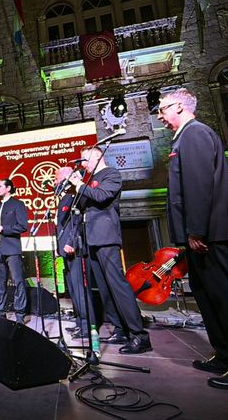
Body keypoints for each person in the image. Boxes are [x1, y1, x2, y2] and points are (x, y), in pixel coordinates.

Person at [158, 88, 228, 390]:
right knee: (206, 296)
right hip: (198, 234)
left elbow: (199, 186)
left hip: (208, 234)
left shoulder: (194, 133)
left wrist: (196, 231)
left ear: (179, 107)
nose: (160, 117)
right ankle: (225, 354)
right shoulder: (184, 137)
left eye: (163, 109)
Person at [68, 147, 151, 354]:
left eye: (85, 160)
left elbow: (103, 196)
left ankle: (139, 335)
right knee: (104, 289)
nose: (83, 164)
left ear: (97, 156)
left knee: (118, 286)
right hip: (91, 240)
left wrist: (79, 184)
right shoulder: (88, 180)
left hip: (106, 238)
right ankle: (120, 328)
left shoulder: (111, 174)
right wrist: (77, 185)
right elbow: (81, 204)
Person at [55, 166, 92, 339]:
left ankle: (86, 325)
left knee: (79, 288)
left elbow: (76, 221)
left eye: (57, 177)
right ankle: (79, 322)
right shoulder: (64, 198)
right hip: (64, 249)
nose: (55, 181)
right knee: (72, 288)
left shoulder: (74, 196)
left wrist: (70, 242)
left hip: (74, 248)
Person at [0, 179, 29, 324]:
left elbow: (23, 226)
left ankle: (20, 313)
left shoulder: (17, 204)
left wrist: (3, 229)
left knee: (18, 281)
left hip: (12, 248)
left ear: (8, 188)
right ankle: (1, 311)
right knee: (1, 282)